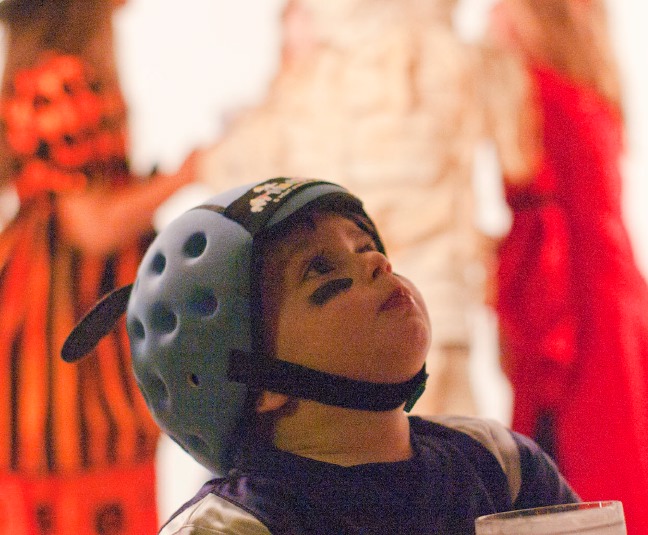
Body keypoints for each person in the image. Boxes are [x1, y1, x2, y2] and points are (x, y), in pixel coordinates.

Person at [61, 177, 579, 534]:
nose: (376, 263)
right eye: (321, 271)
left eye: (365, 246)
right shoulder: (233, 527)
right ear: (259, 383)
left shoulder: (499, 461)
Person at [195, 0, 529, 417]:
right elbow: (522, 157)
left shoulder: (317, 85)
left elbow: (238, 175)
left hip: (352, 332)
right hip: (436, 316)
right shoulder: (460, 63)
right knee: (450, 443)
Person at [0, 0, 195, 532]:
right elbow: (92, 227)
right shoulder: (62, 77)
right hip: (66, 308)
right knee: (82, 457)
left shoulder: (49, 71)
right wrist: (187, 175)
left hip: (54, 298)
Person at [486, 1, 648, 533]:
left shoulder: (535, 90)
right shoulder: (584, 89)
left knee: (585, 487)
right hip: (619, 299)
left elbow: (543, 224)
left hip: (580, 311)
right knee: (626, 479)